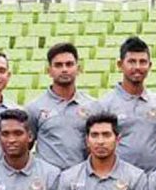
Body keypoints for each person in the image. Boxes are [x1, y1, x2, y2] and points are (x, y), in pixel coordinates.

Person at [26, 43, 100, 171]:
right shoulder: (34, 107)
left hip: (81, 179)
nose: (64, 69)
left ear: (79, 69)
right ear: (49, 71)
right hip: (47, 181)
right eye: (58, 65)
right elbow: (26, 145)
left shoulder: (93, 106)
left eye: (69, 64)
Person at [98, 36, 156, 173]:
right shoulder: (105, 104)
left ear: (150, 65)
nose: (137, 67)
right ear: (120, 65)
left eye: (142, 62)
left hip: (152, 178)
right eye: (131, 61)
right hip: (119, 179)